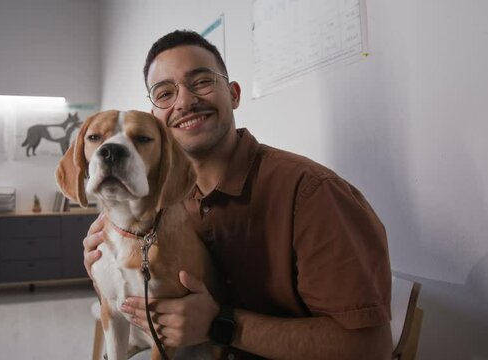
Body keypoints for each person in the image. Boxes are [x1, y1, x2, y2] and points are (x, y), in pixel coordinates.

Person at [83, 30, 392, 359]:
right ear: (156, 117)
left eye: (201, 81)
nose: (184, 102)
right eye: (164, 93)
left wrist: (221, 323)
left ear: (233, 94)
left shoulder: (312, 193)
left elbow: (371, 348)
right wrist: (110, 267)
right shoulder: (159, 198)